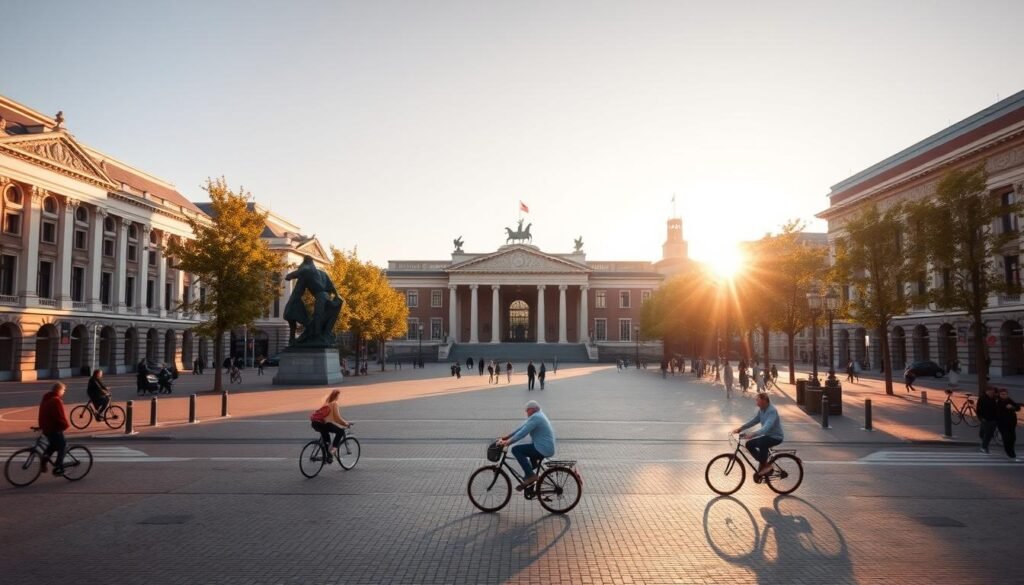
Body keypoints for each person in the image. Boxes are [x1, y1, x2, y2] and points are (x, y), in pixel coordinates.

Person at [496, 400, 556, 490]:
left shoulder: (536, 417)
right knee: (526, 450)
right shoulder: (537, 415)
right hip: (543, 446)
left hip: (543, 448)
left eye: (527, 410)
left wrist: (508, 443)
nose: (526, 412)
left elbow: (522, 433)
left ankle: (531, 476)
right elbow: (521, 427)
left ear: (533, 409)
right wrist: (506, 437)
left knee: (516, 450)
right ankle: (531, 475)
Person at [733, 393, 784, 477]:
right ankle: (764, 464)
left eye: (758, 401)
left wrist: (753, 434)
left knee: (758, 443)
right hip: (768, 436)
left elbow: (767, 427)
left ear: (764, 401)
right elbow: (754, 421)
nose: (757, 404)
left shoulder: (772, 411)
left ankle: (766, 466)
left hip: (776, 437)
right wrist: (741, 428)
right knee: (751, 444)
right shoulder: (762, 409)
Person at [309, 389, 351, 463]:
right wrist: (346, 423)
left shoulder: (326, 403)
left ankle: (328, 457)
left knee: (326, 438)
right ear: (336, 396)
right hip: (324, 424)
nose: (339, 397)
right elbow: (337, 418)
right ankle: (333, 450)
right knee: (340, 431)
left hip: (315, 423)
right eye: (338, 396)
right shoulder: (334, 403)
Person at [38, 382, 70, 475]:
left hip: (46, 427)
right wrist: (65, 425)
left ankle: (43, 462)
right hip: (54, 428)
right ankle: (58, 466)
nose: (64, 392)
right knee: (63, 446)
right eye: (63, 390)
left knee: (52, 446)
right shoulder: (56, 400)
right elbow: (60, 416)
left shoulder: (46, 397)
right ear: (59, 390)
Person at [995, 387, 1021, 462]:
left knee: (1012, 438)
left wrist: (1012, 407)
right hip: (1002, 424)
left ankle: (1011, 452)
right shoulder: (998, 402)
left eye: (1005, 394)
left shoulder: (1009, 400)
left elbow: (1018, 408)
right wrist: (1007, 408)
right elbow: (999, 411)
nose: (1004, 395)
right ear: (999, 394)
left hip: (1011, 423)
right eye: (1002, 394)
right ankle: (1011, 454)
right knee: (1007, 438)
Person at [977, 386, 998, 454]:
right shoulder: (982, 398)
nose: (992, 393)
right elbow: (978, 409)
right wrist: (980, 417)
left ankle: (984, 447)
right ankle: (985, 444)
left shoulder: (995, 399)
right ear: (987, 392)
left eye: (993, 392)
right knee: (981, 434)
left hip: (993, 420)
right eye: (990, 392)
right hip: (984, 419)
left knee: (988, 434)